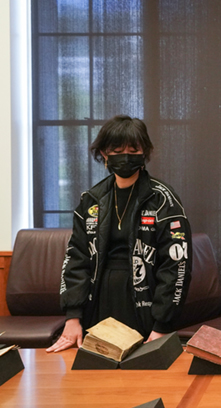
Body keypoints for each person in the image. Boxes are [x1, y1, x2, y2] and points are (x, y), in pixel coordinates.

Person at [47, 114, 192, 353]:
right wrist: (73, 316)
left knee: (143, 381)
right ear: (104, 153)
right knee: (97, 380)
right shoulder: (91, 200)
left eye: (133, 149)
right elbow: (77, 259)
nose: (125, 156)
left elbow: (176, 264)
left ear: (144, 152)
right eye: (117, 149)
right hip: (99, 302)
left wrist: (162, 324)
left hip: (145, 307)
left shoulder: (163, 199)